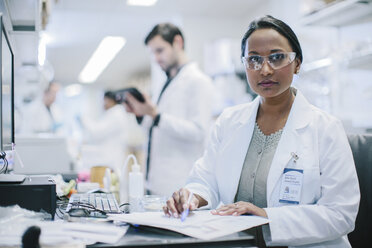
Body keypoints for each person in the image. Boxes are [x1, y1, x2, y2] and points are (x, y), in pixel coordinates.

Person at [164, 16, 360, 248]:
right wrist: (192, 197)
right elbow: (205, 180)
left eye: (277, 58)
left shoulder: (325, 128)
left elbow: (341, 214)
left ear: (297, 63)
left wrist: (266, 216)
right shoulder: (229, 122)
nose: (265, 70)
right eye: (254, 60)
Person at [124, 23, 215, 196]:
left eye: (160, 50)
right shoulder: (166, 83)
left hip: (179, 182)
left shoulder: (198, 81)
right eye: (153, 53)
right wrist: (141, 113)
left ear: (178, 42)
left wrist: (156, 115)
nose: (156, 58)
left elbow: (198, 131)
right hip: (155, 180)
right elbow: (156, 128)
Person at [80, 91, 129, 176]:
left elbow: (97, 132)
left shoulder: (116, 114)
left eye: (104, 100)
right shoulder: (113, 113)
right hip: (110, 157)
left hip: (112, 158)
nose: (103, 104)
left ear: (110, 100)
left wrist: (84, 120)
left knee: (113, 184)